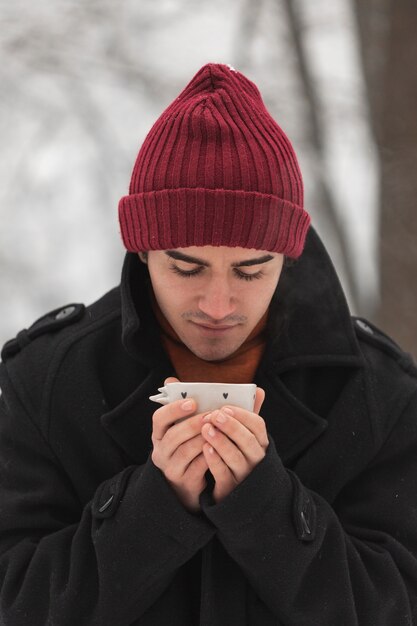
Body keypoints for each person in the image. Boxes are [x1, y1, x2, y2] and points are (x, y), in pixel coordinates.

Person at [0, 63, 416, 626]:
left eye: (249, 271)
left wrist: (268, 507)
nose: (217, 305)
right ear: (144, 250)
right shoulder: (45, 384)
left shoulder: (381, 396)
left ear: (286, 258)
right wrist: (151, 507)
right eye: (186, 266)